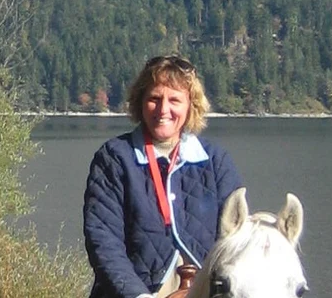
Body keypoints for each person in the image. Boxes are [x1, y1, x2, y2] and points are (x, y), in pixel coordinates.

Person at [83, 55, 245, 298]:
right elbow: (104, 241)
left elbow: (236, 239)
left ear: (191, 105)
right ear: (140, 102)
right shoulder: (114, 158)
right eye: (154, 99)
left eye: (175, 100)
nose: (163, 110)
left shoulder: (215, 161)